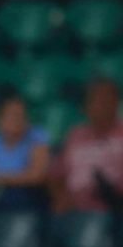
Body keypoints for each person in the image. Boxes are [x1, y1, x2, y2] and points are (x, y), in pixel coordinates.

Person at [51, 77, 123, 213]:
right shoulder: (75, 135)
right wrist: (60, 197)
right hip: (74, 209)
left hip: (113, 209)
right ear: (84, 107)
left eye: (110, 98)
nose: (105, 104)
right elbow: (55, 174)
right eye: (98, 99)